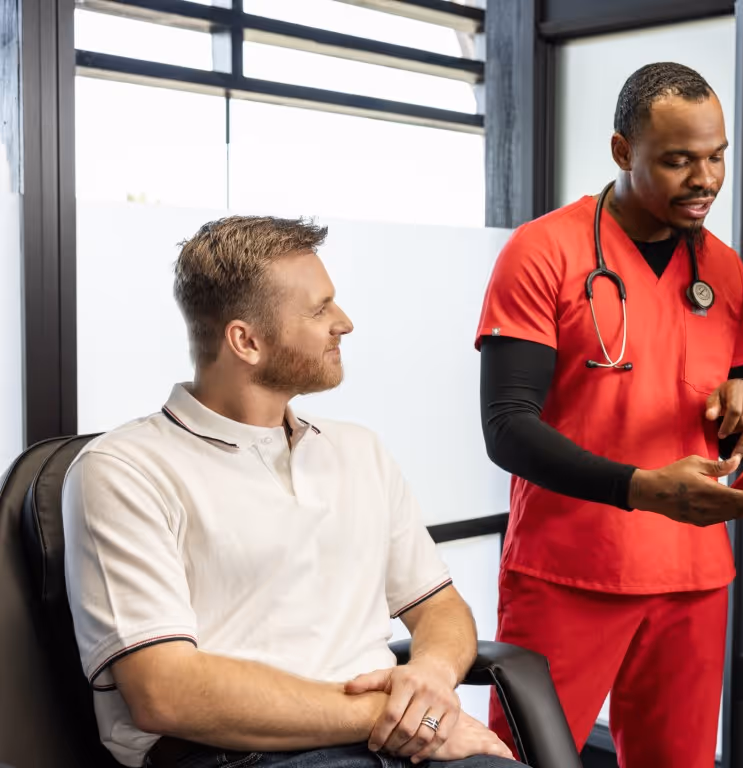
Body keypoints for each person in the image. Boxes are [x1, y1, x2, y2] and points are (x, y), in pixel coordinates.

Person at [62, 216, 523, 768]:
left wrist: (431, 677)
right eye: (319, 309)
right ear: (246, 341)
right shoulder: (125, 469)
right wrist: (393, 717)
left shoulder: (359, 451)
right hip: (239, 754)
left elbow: (439, 607)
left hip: (393, 741)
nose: (344, 322)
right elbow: (164, 693)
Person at [475, 62, 743, 767]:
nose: (704, 179)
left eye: (715, 157)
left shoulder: (726, 272)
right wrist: (641, 489)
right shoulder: (542, 252)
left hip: (692, 577)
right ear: (621, 152)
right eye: (677, 161)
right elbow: (506, 425)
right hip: (568, 571)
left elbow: (734, 406)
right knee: (521, 760)